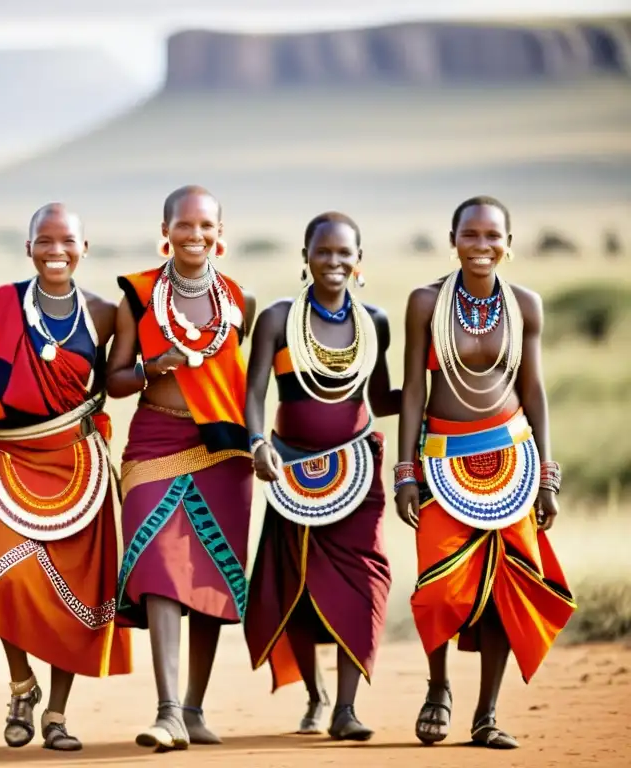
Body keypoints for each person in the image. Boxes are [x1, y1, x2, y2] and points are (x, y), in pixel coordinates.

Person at [395, 196, 576, 749]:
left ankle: (487, 714)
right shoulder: (425, 302)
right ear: (453, 239)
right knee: (438, 590)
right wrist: (405, 471)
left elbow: (535, 392)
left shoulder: (526, 306)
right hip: (441, 462)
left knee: (506, 588)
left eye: (492, 236)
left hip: (512, 460)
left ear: (509, 242)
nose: (482, 247)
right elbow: (413, 393)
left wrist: (547, 475)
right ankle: (439, 688)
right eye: (470, 236)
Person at [0, 203, 133, 752]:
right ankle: (21, 685)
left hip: (77, 462)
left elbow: (117, 380)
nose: (55, 250)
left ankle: (56, 715)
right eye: (44, 240)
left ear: (85, 248)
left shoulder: (107, 313)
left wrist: (161, 368)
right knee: (2, 578)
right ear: (28, 248)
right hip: (11, 458)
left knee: (79, 596)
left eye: (67, 241)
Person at [106, 185, 256, 750]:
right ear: (164, 231)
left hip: (223, 454)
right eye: (184, 226)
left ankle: (193, 709)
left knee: (210, 578)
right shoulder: (139, 296)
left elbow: (249, 383)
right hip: (154, 444)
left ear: (222, 232)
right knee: (160, 566)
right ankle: (166, 710)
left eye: (206, 226)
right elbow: (114, 380)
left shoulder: (240, 298)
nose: (196, 236)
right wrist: (154, 365)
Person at [243, 212, 399, 741]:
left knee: (364, 581)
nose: (334, 262)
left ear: (359, 261)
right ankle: (315, 695)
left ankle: (347, 710)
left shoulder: (374, 322)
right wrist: (257, 442)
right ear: (305, 257)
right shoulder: (277, 319)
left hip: (359, 471)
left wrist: (443, 391)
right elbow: (254, 392)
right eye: (323, 252)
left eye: (344, 253)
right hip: (291, 469)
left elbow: (380, 398)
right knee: (298, 585)